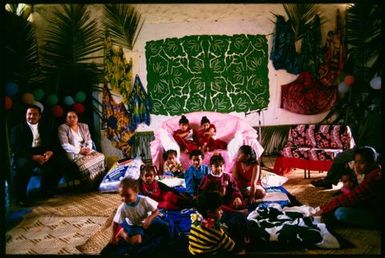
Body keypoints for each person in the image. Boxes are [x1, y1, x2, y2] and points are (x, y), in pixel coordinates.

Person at [10, 104, 72, 206]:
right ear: (25, 115)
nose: (31, 116)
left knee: (62, 162)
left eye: (35, 114)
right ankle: (21, 198)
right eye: (29, 114)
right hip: (26, 155)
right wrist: (33, 157)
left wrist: (50, 152)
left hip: (43, 152)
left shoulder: (46, 127)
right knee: (23, 166)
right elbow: (16, 149)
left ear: (40, 116)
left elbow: (55, 143)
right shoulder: (17, 129)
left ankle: (46, 190)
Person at [313, 146, 382, 227]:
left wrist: (323, 210)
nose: (357, 166)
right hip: (370, 207)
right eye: (356, 162)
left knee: (340, 212)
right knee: (340, 206)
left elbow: (351, 197)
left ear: (372, 162)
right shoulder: (373, 172)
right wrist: (324, 208)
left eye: (361, 162)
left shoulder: (375, 177)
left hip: (377, 216)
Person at [110, 178, 165, 246]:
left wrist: (149, 219)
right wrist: (113, 237)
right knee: (136, 243)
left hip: (147, 220)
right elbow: (115, 222)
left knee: (165, 227)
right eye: (122, 195)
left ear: (136, 192)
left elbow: (156, 211)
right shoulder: (122, 208)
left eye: (127, 195)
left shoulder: (145, 200)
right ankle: (123, 233)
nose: (124, 199)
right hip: (134, 225)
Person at [58, 111, 105, 187]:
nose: (72, 119)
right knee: (85, 165)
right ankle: (90, 184)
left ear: (77, 118)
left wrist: (88, 149)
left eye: (74, 117)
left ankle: (99, 181)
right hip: (74, 152)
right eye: (69, 117)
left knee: (101, 156)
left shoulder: (84, 126)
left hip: (86, 150)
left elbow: (89, 140)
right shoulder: (63, 128)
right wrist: (79, 151)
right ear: (66, 119)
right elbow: (65, 145)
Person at [188, 191, 236, 255]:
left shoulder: (195, 219)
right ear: (209, 212)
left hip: (193, 251)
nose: (222, 211)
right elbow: (231, 247)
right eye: (219, 209)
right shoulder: (216, 232)